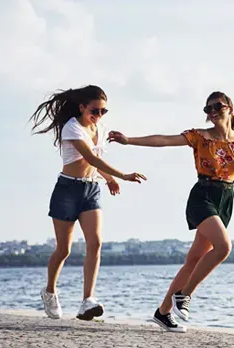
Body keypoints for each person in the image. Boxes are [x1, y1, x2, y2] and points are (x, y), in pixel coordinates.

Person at [107, 91, 234, 332]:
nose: (213, 112)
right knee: (224, 248)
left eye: (218, 106)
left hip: (226, 200)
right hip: (203, 197)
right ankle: (184, 296)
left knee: (193, 260)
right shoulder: (199, 137)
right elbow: (163, 140)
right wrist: (129, 140)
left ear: (230, 108)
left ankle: (162, 313)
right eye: (208, 109)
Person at [29, 84, 146, 321]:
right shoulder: (72, 128)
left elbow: (96, 161)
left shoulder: (99, 129)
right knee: (64, 250)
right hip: (67, 189)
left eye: (103, 111)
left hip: (91, 189)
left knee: (96, 243)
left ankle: (87, 301)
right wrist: (123, 175)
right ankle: (50, 291)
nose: (98, 116)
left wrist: (109, 179)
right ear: (82, 107)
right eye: (95, 110)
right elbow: (89, 157)